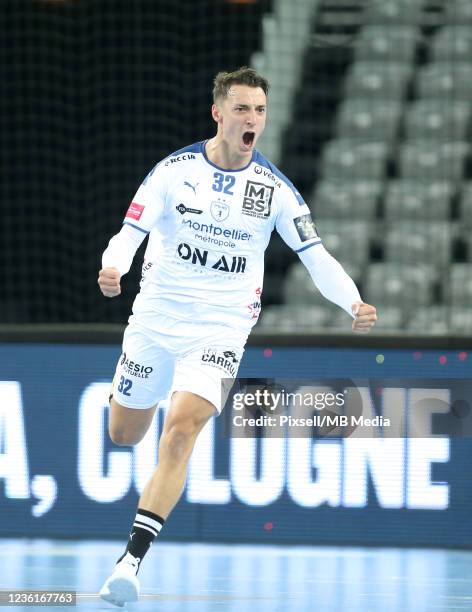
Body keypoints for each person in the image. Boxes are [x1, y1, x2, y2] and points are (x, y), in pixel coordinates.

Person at [97, 66, 377, 606]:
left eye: (260, 111)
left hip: (222, 326)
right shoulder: (173, 172)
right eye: (243, 109)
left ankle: (129, 562)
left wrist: (353, 300)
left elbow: (314, 256)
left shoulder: (274, 190)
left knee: (180, 431)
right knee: (125, 434)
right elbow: (129, 232)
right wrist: (113, 267)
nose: (253, 120)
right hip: (157, 318)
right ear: (218, 113)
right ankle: (137, 396)